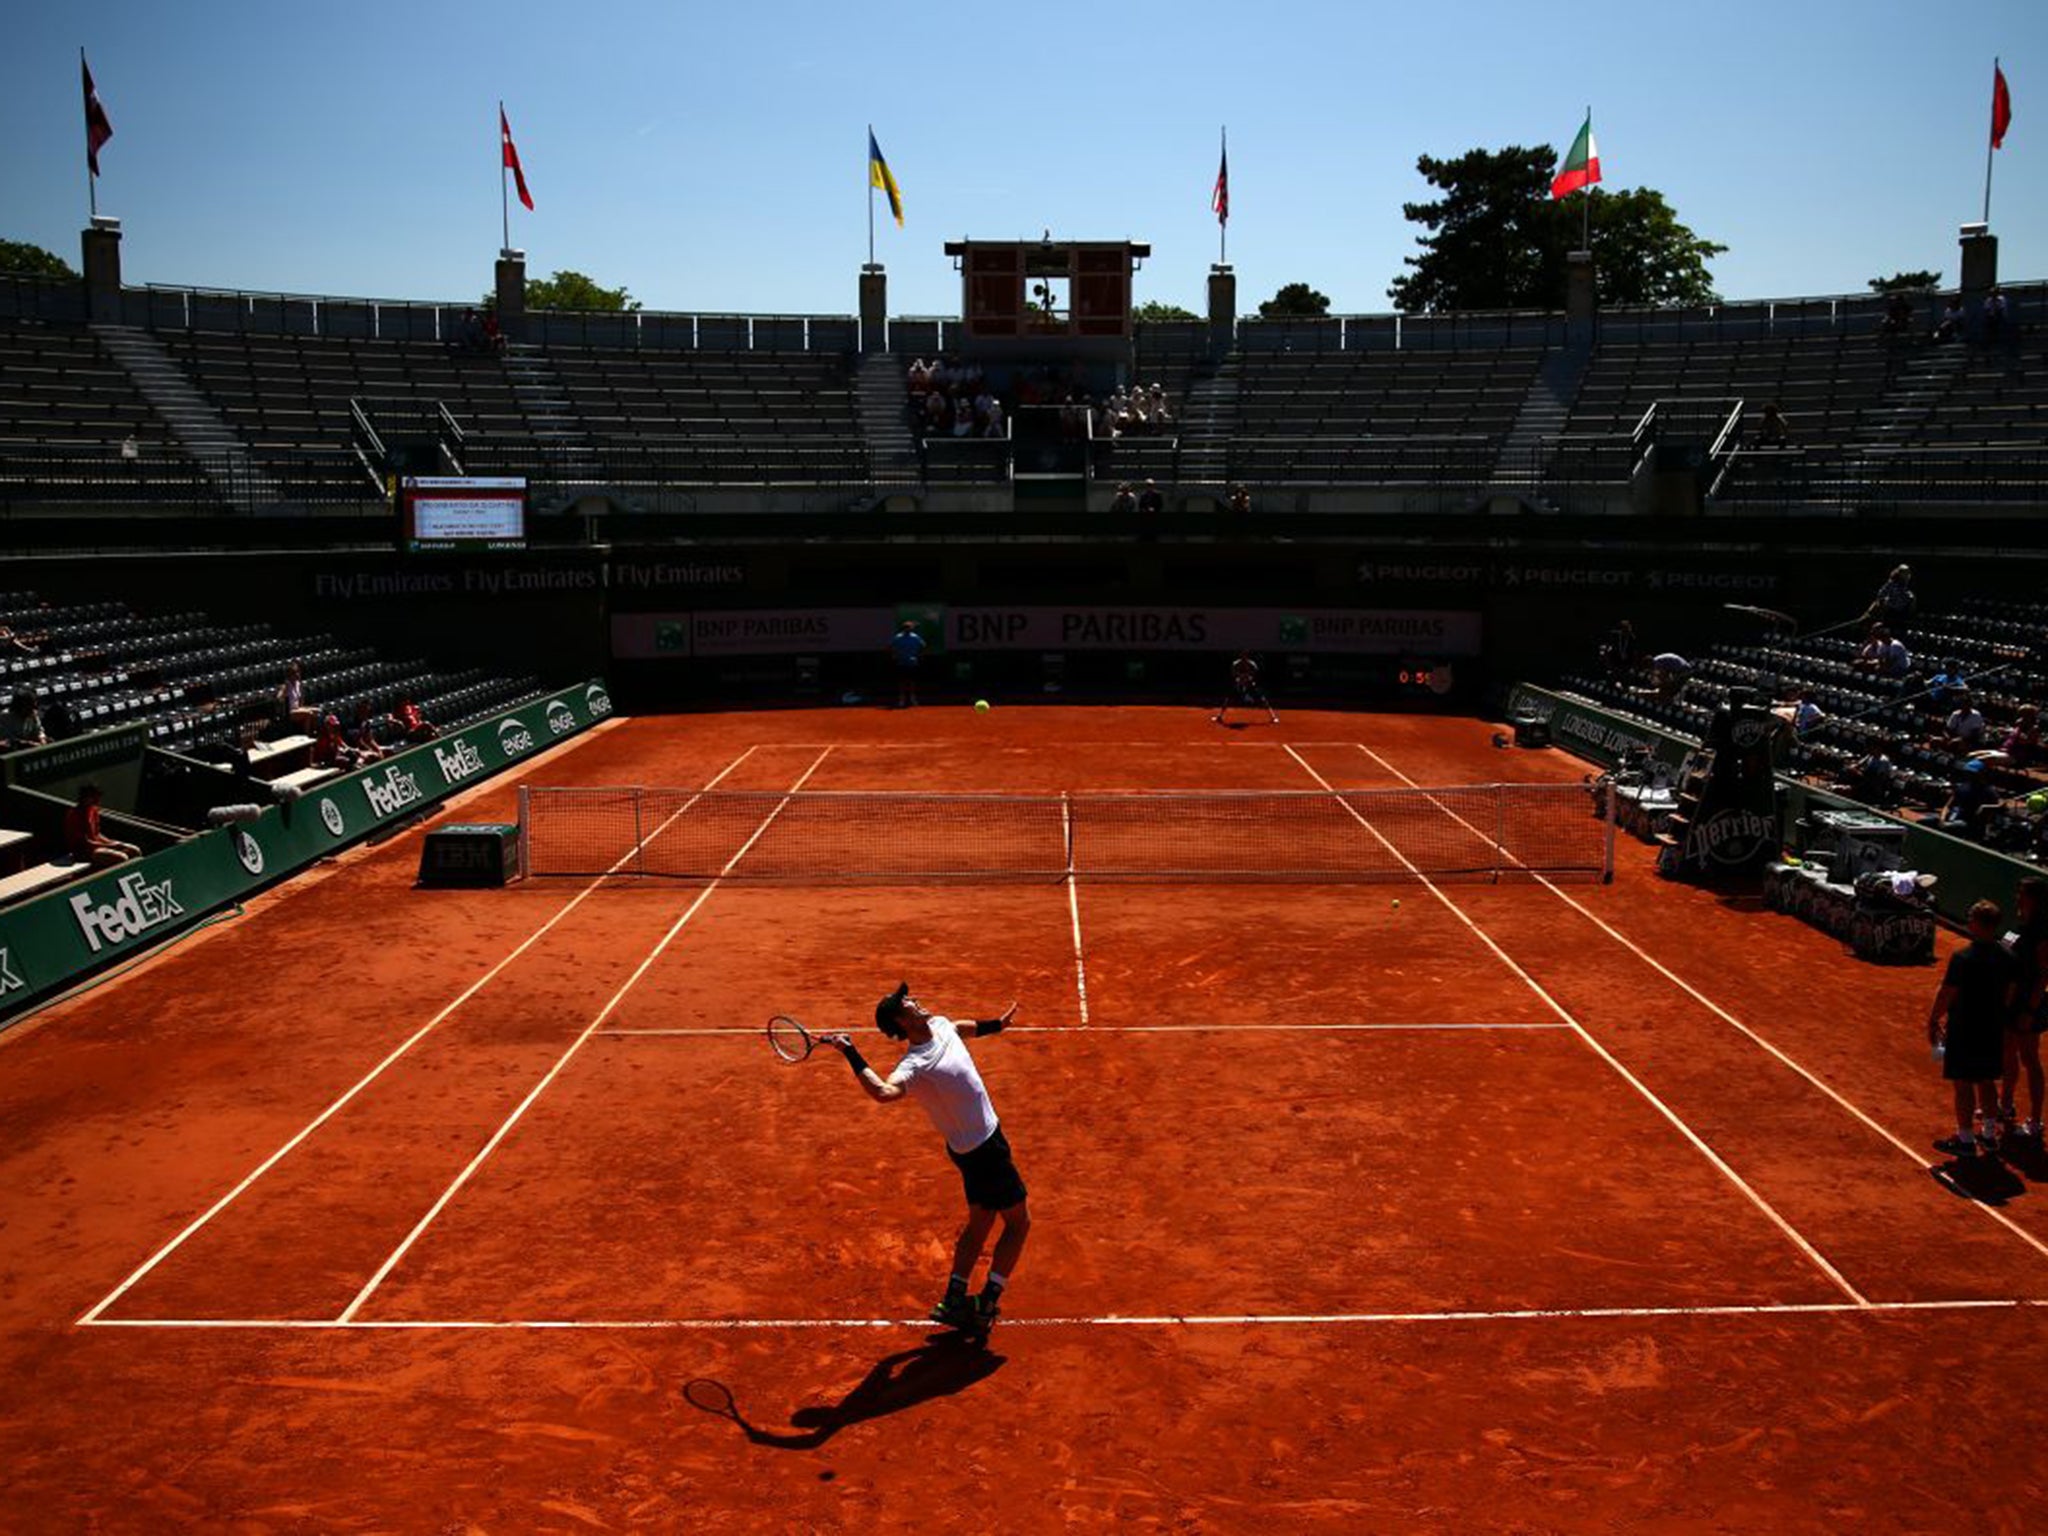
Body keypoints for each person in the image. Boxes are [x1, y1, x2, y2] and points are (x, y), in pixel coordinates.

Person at [824, 984, 1029, 1333]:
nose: (916, 1002)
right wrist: (850, 1052)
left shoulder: (942, 1024)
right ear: (902, 1022)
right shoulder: (914, 1064)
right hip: (985, 1149)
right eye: (908, 1004)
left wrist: (997, 1024)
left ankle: (954, 1297)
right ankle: (986, 1302)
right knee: (1018, 1223)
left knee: (981, 1221)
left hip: (969, 1148)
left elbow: (963, 1028)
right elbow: (883, 1092)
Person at [1929, 900, 2020, 1156]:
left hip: (1965, 1028)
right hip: (1993, 1028)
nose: (1968, 921)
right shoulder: (2009, 958)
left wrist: (1934, 1019)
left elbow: (1948, 993)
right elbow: (2010, 995)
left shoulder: (1963, 957)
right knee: (1987, 1080)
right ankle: (1989, 1136)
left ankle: (1966, 1138)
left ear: (1980, 924)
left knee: (1963, 1084)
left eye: (1971, 918)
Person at [1999, 879, 2047, 1145]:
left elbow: (2043, 976)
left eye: (2022, 894)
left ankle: (2036, 1121)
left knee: (2029, 1058)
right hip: (2013, 1001)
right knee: (2007, 1052)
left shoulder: (2041, 934)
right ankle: (2005, 1104)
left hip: (2029, 1003)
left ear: (2034, 900)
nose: (2017, 898)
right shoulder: (2023, 927)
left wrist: (2030, 1009)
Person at [64, 782, 142, 870]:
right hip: (83, 852)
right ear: (86, 797)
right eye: (94, 797)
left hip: (96, 846)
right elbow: (85, 842)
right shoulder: (74, 815)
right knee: (122, 858)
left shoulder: (93, 810)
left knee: (134, 850)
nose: (98, 799)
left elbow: (97, 834)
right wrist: (111, 846)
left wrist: (111, 842)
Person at [1214, 651, 1278, 725]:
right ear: (1240, 656)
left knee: (1262, 699)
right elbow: (1234, 674)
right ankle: (1219, 716)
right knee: (1228, 699)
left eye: (1245, 655)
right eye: (1242, 655)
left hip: (1250, 684)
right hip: (1239, 683)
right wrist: (1240, 679)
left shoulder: (1252, 664)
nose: (1244, 657)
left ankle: (1273, 717)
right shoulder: (1235, 664)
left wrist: (1248, 679)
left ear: (1247, 656)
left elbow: (1255, 675)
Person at [888, 620, 925, 708]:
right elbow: (890, 647)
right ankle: (902, 699)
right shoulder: (898, 637)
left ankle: (912, 699)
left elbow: (923, 645)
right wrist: (895, 655)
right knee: (902, 682)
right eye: (906, 627)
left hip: (912, 662)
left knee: (912, 682)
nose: (908, 629)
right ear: (903, 628)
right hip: (901, 662)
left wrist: (916, 655)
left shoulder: (915, 637)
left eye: (909, 627)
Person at [275, 661, 318, 734]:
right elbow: (278, 697)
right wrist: (283, 695)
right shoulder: (286, 685)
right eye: (294, 673)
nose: (297, 674)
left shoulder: (298, 684)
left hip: (297, 708)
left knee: (317, 711)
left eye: (298, 672)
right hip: (290, 712)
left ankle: (315, 731)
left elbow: (301, 698)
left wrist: (302, 706)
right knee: (309, 714)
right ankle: (307, 734)